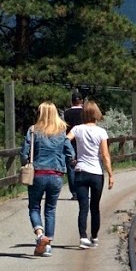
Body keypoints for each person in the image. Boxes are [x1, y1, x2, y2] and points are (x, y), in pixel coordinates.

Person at [22, 102, 75, 257]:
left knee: (34, 207)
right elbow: (70, 153)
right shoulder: (61, 131)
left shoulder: (33, 131)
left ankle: (40, 235)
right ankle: (48, 246)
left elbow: (24, 154)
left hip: (37, 174)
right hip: (56, 175)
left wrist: (26, 163)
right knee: (50, 209)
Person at [67, 99, 113, 248]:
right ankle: (94, 237)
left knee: (83, 207)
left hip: (80, 171)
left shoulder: (77, 129)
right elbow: (105, 155)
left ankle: (83, 237)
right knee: (95, 207)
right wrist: (111, 174)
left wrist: (71, 157)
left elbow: (65, 141)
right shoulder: (101, 132)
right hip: (96, 173)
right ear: (96, 114)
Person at [62, 89, 85, 198]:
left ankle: (74, 192)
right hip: (83, 142)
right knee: (83, 164)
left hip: (70, 141)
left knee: (71, 166)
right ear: (82, 101)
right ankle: (83, 190)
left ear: (72, 101)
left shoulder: (66, 113)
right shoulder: (85, 112)